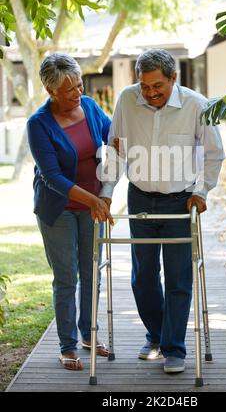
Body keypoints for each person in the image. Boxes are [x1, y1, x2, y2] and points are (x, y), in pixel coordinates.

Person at [100, 49, 225, 374]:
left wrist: (201, 191)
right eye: (145, 86)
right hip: (140, 197)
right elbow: (117, 150)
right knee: (142, 279)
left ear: (174, 79)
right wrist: (106, 193)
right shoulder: (127, 100)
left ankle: (174, 348)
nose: (151, 93)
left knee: (179, 278)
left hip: (179, 201)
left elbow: (214, 154)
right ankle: (156, 335)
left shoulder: (197, 105)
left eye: (158, 86)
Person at [27, 53, 113, 371]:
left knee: (92, 273)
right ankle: (67, 346)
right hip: (59, 208)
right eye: (69, 91)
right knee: (66, 278)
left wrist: (107, 191)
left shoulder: (89, 106)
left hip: (94, 205)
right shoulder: (38, 125)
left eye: (78, 86)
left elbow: (109, 138)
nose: (77, 94)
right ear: (51, 92)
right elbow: (53, 177)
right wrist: (94, 201)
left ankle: (89, 335)